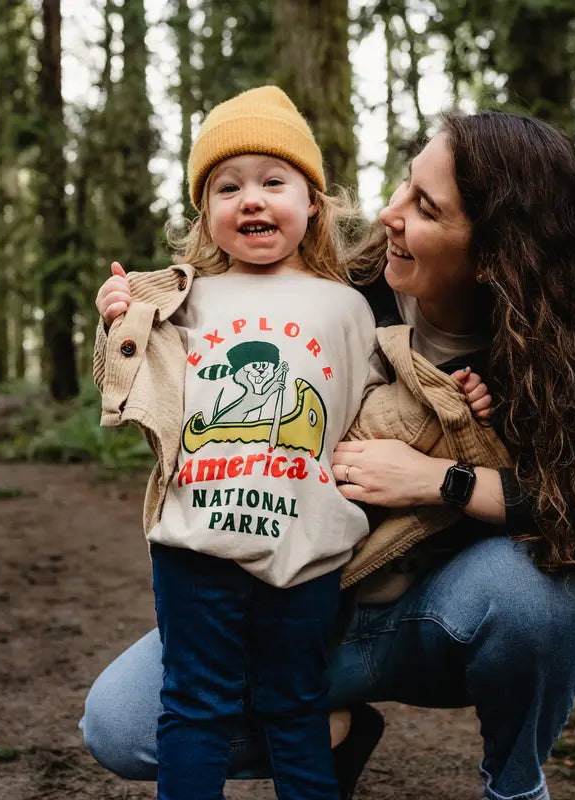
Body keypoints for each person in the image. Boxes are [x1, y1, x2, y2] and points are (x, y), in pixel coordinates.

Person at [83, 108, 575, 800]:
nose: (390, 214)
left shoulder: (545, 355)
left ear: (493, 253)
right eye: (405, 185)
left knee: (541, 599)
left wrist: (445, 482)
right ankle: (331, 729)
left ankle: (515, 784)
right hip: (305, 602)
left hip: (435, 619)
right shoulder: (348, 289)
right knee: (122, 724)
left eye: (425, 207)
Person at [90, 86, 499, 800]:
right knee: (194, 708)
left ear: (313, 202)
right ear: (204, 211)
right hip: (194, 546)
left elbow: (396, 402)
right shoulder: (185, 298)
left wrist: (463, 403)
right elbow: (122, 382)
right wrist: (117, 318)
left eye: (273, 182)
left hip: (308, 553)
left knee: (295, 707)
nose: (251, 200)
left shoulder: (345, 304)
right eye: (227, 187)